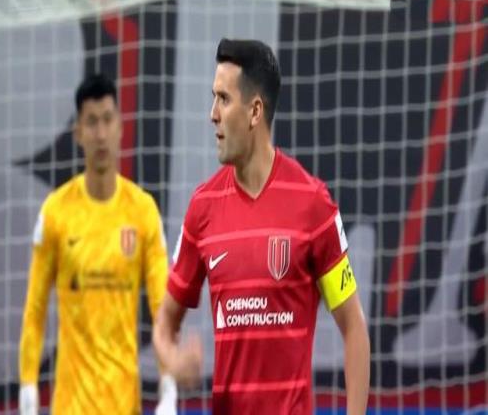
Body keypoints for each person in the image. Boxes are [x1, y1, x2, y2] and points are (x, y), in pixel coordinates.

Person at [153, 39, 370, 414]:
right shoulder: (202, 207)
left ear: (255, 111)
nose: (212, 115)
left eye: (224, 99)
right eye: (213, 98)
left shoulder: (312, 203)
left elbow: (353, 327)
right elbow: (164, 322)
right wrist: (171, 360)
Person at [19, 74, 177, 415]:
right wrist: (28, 385)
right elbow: (35, 308)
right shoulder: (56, 212)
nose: (101, 133)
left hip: (124, 404)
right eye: (91, 122)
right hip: (70, 406)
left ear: (120, 126)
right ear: (78, 133)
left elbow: (162, 308)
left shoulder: (142, 211)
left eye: (107, 119)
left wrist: (168, 384)